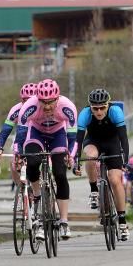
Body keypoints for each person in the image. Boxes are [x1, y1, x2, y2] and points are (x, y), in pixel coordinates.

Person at [14, 79, 77, 240]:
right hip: (36, 134)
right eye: (43, 102)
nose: (47, 106)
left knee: (60, 174)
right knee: (33, 163)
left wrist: (72, 156)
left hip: (58, 135)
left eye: (51, 102)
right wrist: (18, 154)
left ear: (57, 98)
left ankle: (63, 221)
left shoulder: (67, 106)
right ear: (38, 98)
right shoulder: (30, 106)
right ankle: (37, 195)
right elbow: (20, 135)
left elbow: (73, 136)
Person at [74, 88, 130, 241]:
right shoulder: (85, 114)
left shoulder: (115, 111)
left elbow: (124, 139)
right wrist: (75, 161)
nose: (99, 111)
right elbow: (78, 141)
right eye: (95, 108)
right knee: (91, 156)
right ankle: (94, 191)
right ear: (90, 107)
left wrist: (125, 160)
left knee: (114, 179)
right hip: (93, 142)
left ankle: (123, 222)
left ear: (108, 105)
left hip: (113, 143)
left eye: (102, 108)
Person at [0, 82, 38, 190]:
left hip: (38, 137)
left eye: (31, 100)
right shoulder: (16, 110)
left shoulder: (43, 109)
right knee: (13, 162)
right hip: (21, 138)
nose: (28, 104)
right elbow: (5, 132)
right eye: (25, 100)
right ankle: (21, 190)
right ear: (21, 99)